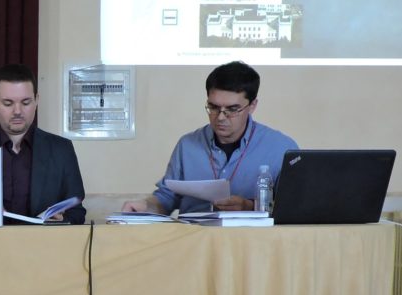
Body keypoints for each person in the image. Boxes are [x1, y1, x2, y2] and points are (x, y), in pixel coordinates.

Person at [122, 61, 298, 215]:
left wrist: (250, 206)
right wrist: (146, 206)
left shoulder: (281, 148)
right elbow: (166, 198)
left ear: (252, 106)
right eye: (213, 107)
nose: (220, 117)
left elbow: (294, 207)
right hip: (195, 237)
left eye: (232, 109)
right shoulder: (187, 145)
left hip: (253, 239)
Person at [0, 63, 86, 224]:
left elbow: (77, 212)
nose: (17, 111)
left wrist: (63, 219)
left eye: (26, 102)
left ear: (36, 100)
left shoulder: (61, 149)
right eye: (8, 103)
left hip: (43, 239)